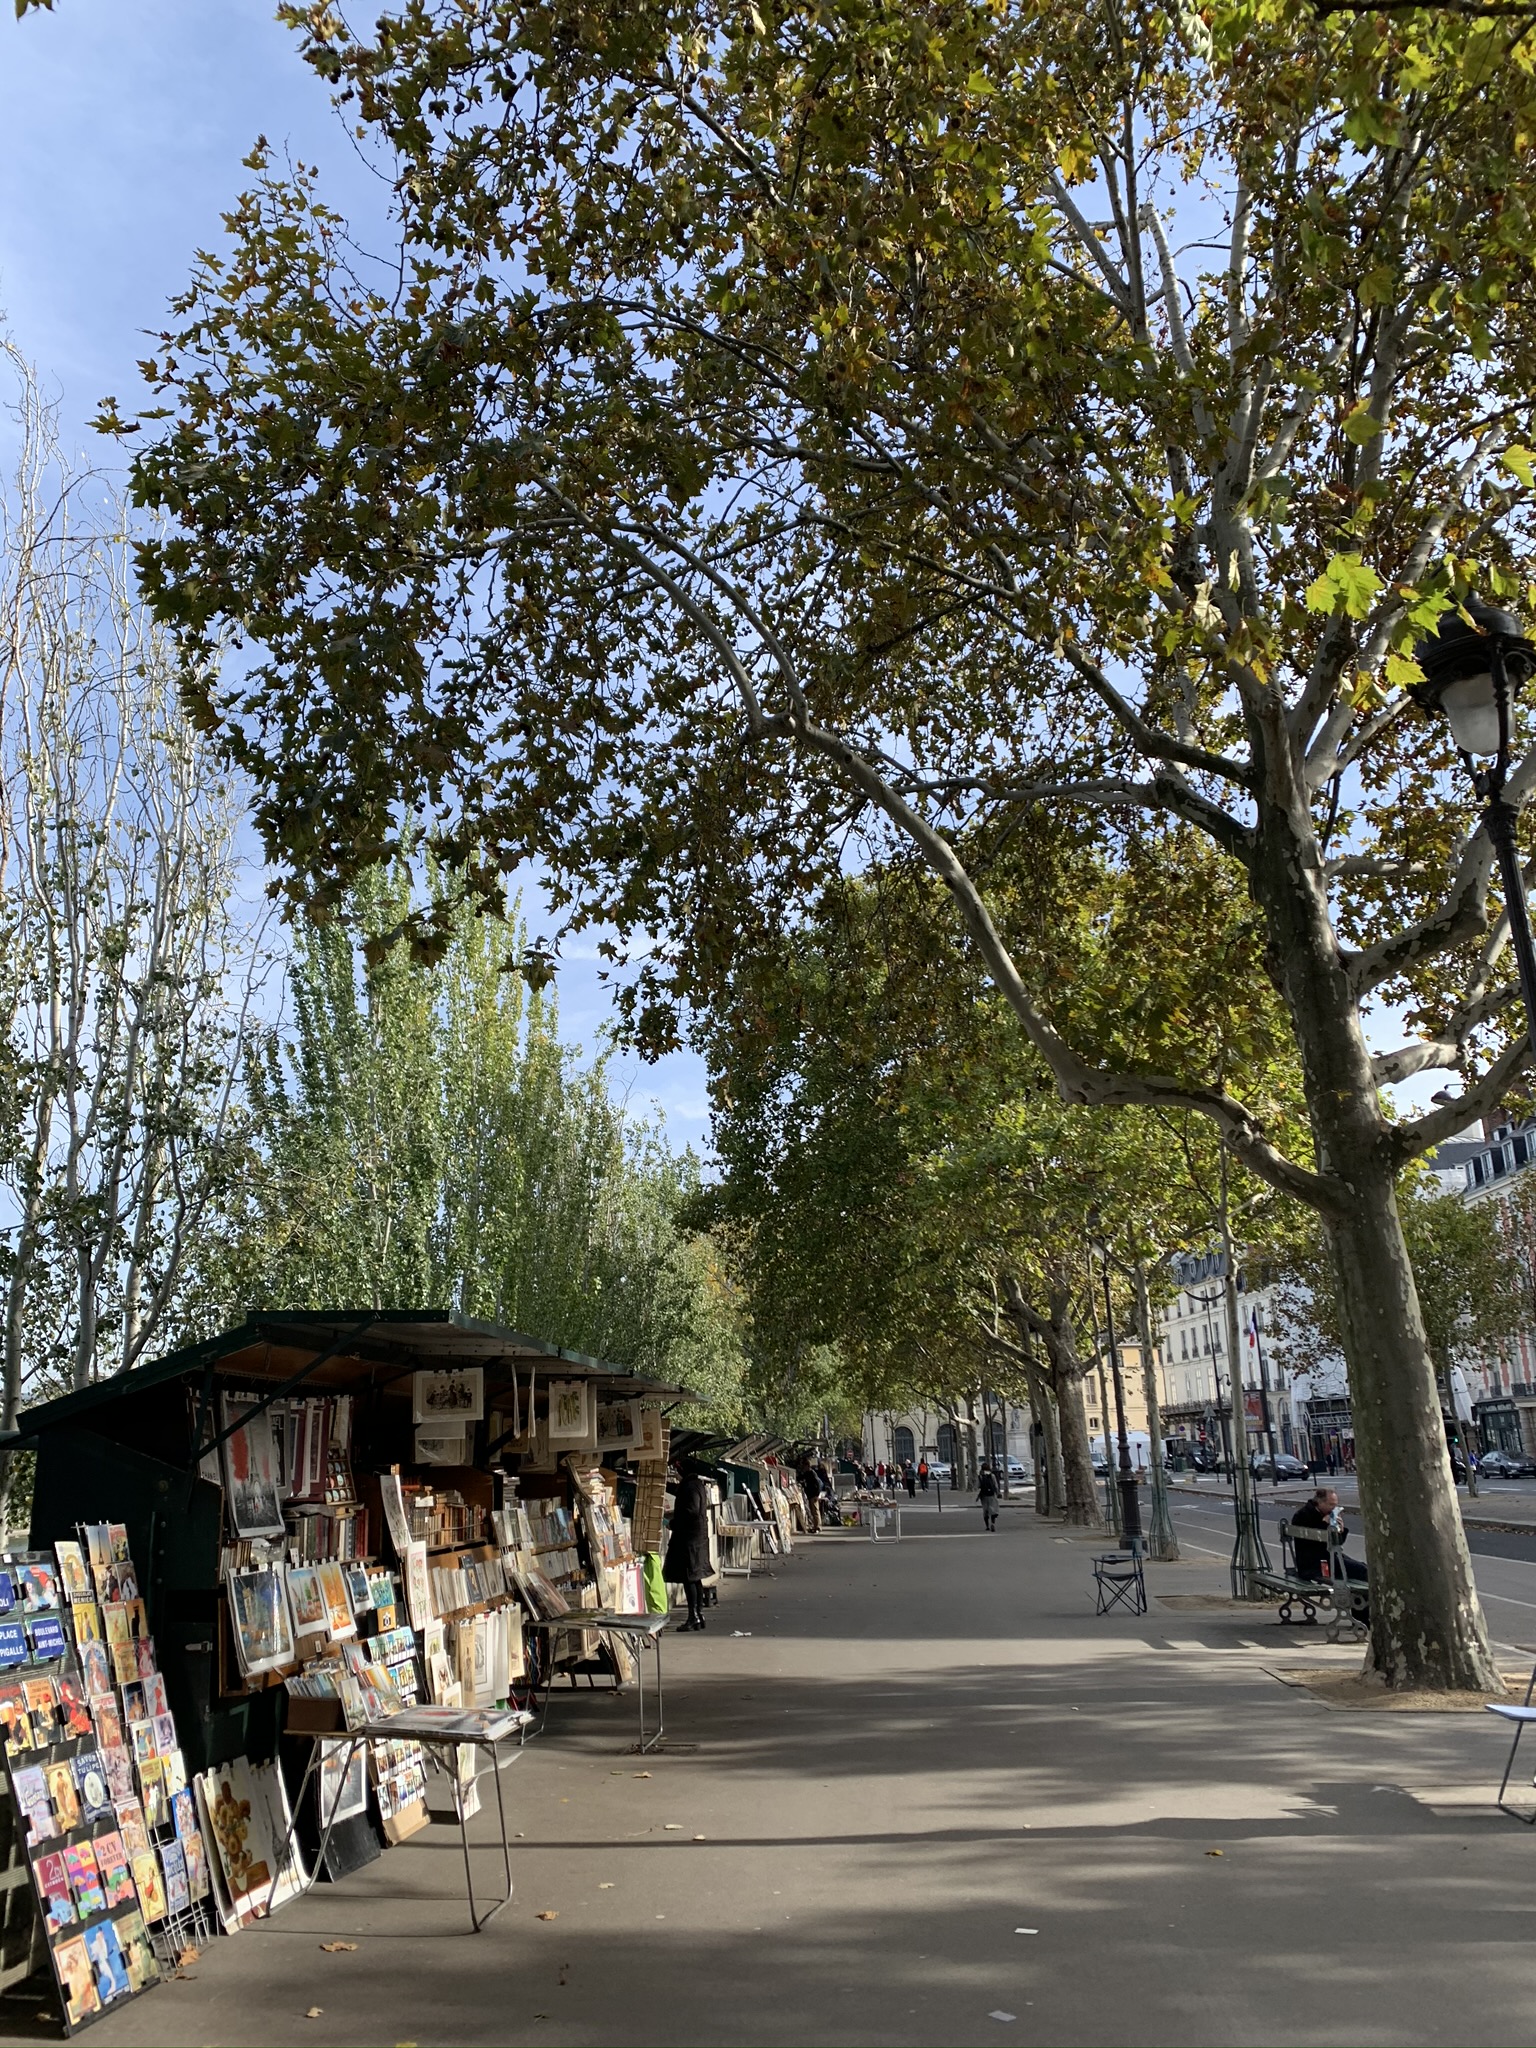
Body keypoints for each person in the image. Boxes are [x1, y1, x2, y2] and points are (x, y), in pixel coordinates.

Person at [1290, 1487, 1368, 1604]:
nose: (1334, 1508)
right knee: (1362, 1571)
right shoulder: (1304, 1515)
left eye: (1335, 1505)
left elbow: (1338, 1543)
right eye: (1331, 1504)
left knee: (1362, 1567)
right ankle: (1362, 1612)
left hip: (1327, 1557)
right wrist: (1324, 1525)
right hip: (1316, 1564)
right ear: (1320, 1502)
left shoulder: (1321, 1514)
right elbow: (1315, 1544)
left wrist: (1340, 1530)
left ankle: (1361, 1611)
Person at [663, 1462, 712, 1631]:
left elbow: (690, 1511)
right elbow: (678, 1490)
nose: (676, 1474)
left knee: (689, 1578)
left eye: (677, 1471)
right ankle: (699, 1616)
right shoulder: (695, 1484)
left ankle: (693, 1617)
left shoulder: (690, 1487)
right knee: (695, 1578)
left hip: (689, 1540)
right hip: (696, 1539)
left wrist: (674, 1523)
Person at [978, 1462, 1001, 1531]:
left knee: (985, 1510)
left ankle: (987, 1526)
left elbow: (978, 1485)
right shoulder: (992, 1475)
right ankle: (993, 1523)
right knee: (993, 1509)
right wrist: (998, 1493)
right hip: (992, 1494)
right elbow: (995, 1485)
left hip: (984, 1495)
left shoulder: (980, 1476)